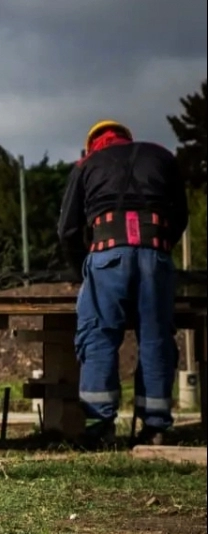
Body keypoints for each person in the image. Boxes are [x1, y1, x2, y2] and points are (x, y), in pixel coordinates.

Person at [58, 120, 188, 446]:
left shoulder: (87, 164)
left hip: (106, 256)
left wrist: (81, 271)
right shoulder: (161, 157)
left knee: (99, 335)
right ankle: (156, 427)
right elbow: (181, 215)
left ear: (94, 143)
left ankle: (100, 427)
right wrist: (159, 249)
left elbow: (67, 230)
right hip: (155, 255)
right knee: (156, 337)